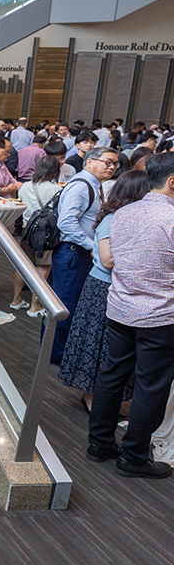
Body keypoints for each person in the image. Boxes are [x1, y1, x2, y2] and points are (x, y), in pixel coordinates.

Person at [87, 153, 174, 479]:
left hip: (121, 308)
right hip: (160, 315)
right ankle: (134, 456)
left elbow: (115, 260)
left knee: (111, 376)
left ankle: (98, 444)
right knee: (151, 387)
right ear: (172, 181)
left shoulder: (123, 213)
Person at [60, 170, 149, 410]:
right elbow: (107, 260)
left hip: (116, 286)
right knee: (98, 343)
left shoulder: (131, 217)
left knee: (108, 345)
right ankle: (92, 397)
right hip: (102, 287)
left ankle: (102, 397)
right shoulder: (113, 217)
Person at [49, 146, 120, 364]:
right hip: (73, 252)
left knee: (72, 302)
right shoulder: (82, 186)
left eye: (115, 164)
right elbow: (66, 222)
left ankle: (63, 352)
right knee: (65, 305)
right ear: (89, 162)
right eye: (107, 162)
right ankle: (55, 355)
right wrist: (91, 245)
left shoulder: (94, 185)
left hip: (80, 253)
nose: (112, 167)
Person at [13, 156, 61, 317]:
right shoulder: (55, 190)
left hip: (27, 229)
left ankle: (16, 300)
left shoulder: (25, 186)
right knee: (43, 267)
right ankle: (35, 306)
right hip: (44, 233)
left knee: (24, 265)